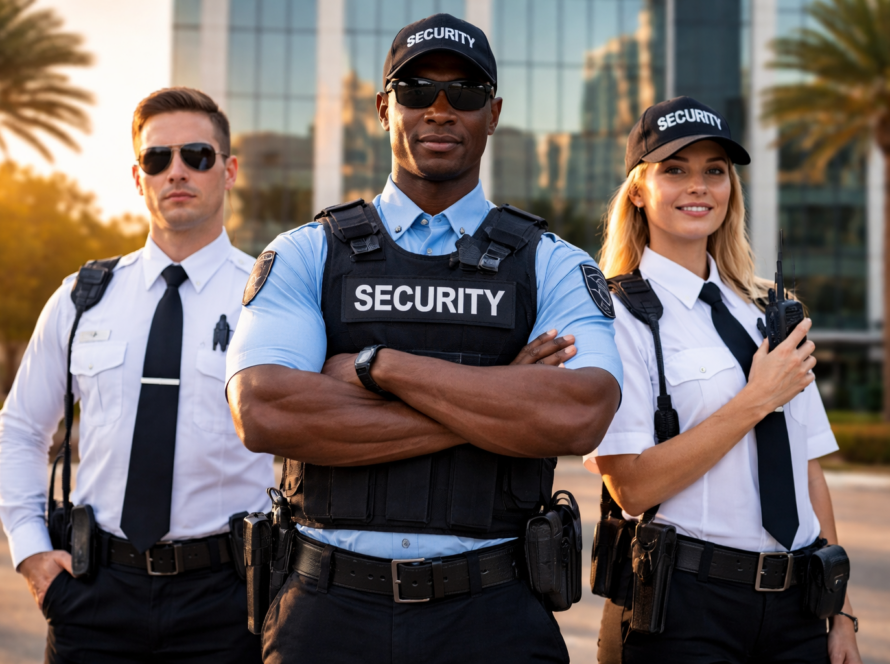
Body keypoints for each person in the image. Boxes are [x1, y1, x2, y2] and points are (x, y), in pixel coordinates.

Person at [226, 13, 623, 664]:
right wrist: (500, 396)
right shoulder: (307, 253)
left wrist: (378, 367)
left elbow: (579, 414)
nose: (439, 109)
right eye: (416, 91)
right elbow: (265, 410)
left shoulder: (551, 261)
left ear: (492, 114)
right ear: (385, 108)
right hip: (326, 613)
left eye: (463, 93)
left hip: (494, 614)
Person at [0, 87, 272, 663]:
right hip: (93, 596)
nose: (176, 171)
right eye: (157, 158)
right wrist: (29, 552)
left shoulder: (269, 300)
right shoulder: (81, 298)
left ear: (229, 171)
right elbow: (21, 428)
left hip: (227, 600)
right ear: (136, 175)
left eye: (197, 156)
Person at [589, 96, 862, 664]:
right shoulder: (616, 319)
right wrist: (756, 399)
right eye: (676, 170)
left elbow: (806, 472)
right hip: (687, 607)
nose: (699, 186)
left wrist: (840, 612)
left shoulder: (770, 313)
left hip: (798, 609)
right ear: (638, 189)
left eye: (715, 171)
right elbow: (632, 487)